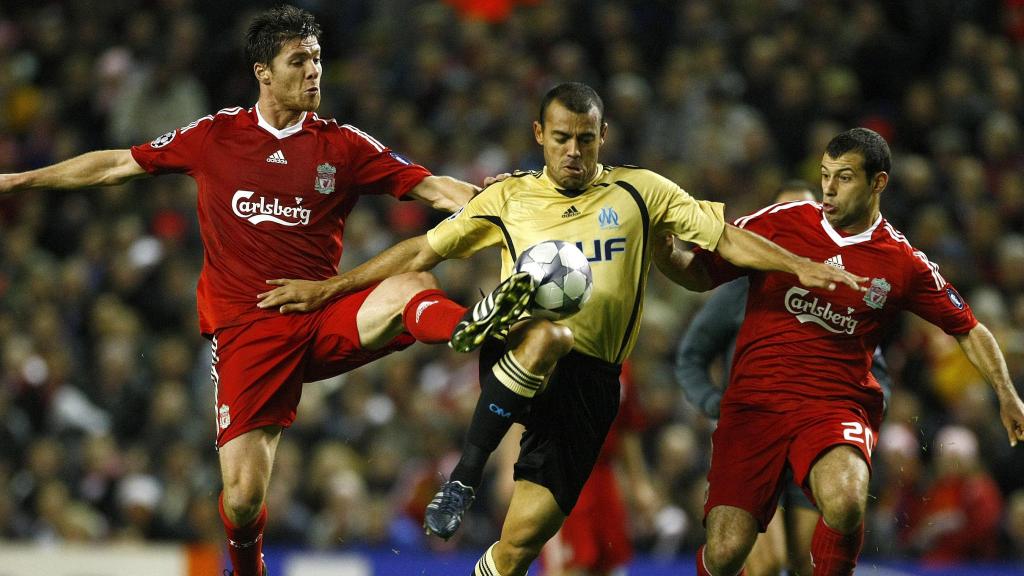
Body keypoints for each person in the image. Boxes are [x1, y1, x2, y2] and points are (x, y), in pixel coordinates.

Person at [0, 6, 537, 576]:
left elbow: (433, 188)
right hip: (248, 332)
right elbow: (116, 164)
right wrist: (17, 180)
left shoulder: (343, 145)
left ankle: (472, 325)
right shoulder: (214, 136)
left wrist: (500, 199)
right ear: (263, 72)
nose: (314, 71)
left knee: (414, 284)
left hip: (321, 312)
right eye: (299, 60)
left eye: (318, 59)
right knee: (242, 500)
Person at [258, 82, 864, 576]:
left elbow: (724, 240)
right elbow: (422, 250)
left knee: (518, 546)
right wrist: (328, 288)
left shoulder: (641, 191)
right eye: (561, 138)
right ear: (539, 136)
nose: (574, 150)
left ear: (603, 136)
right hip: (518, 344)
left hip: (591, 386)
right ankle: (464, 474)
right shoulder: (508, 198)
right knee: (550, 335)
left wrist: (800, 266)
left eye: (585, 139)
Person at [655, 127, 1024, 576]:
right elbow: (699, 273)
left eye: (844, 177)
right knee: (726, 551)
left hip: (833, 405)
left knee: (846, 497)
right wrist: (664, 252)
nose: (828, 188)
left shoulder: (902, 262)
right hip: (755, 404)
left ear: (878, 182)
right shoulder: (782, 221)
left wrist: (1006, 393)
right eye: (825, 174)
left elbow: (969, 329)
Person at [674, 181, 894, 576]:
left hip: (817, 434)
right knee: (763, 562)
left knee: (805, 562)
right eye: (782, 215)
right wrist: (714, 402)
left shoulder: (839, 285)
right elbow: (691, 356)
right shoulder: (740, 287)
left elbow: (873, 366)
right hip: (756, 430)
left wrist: (858, 417)